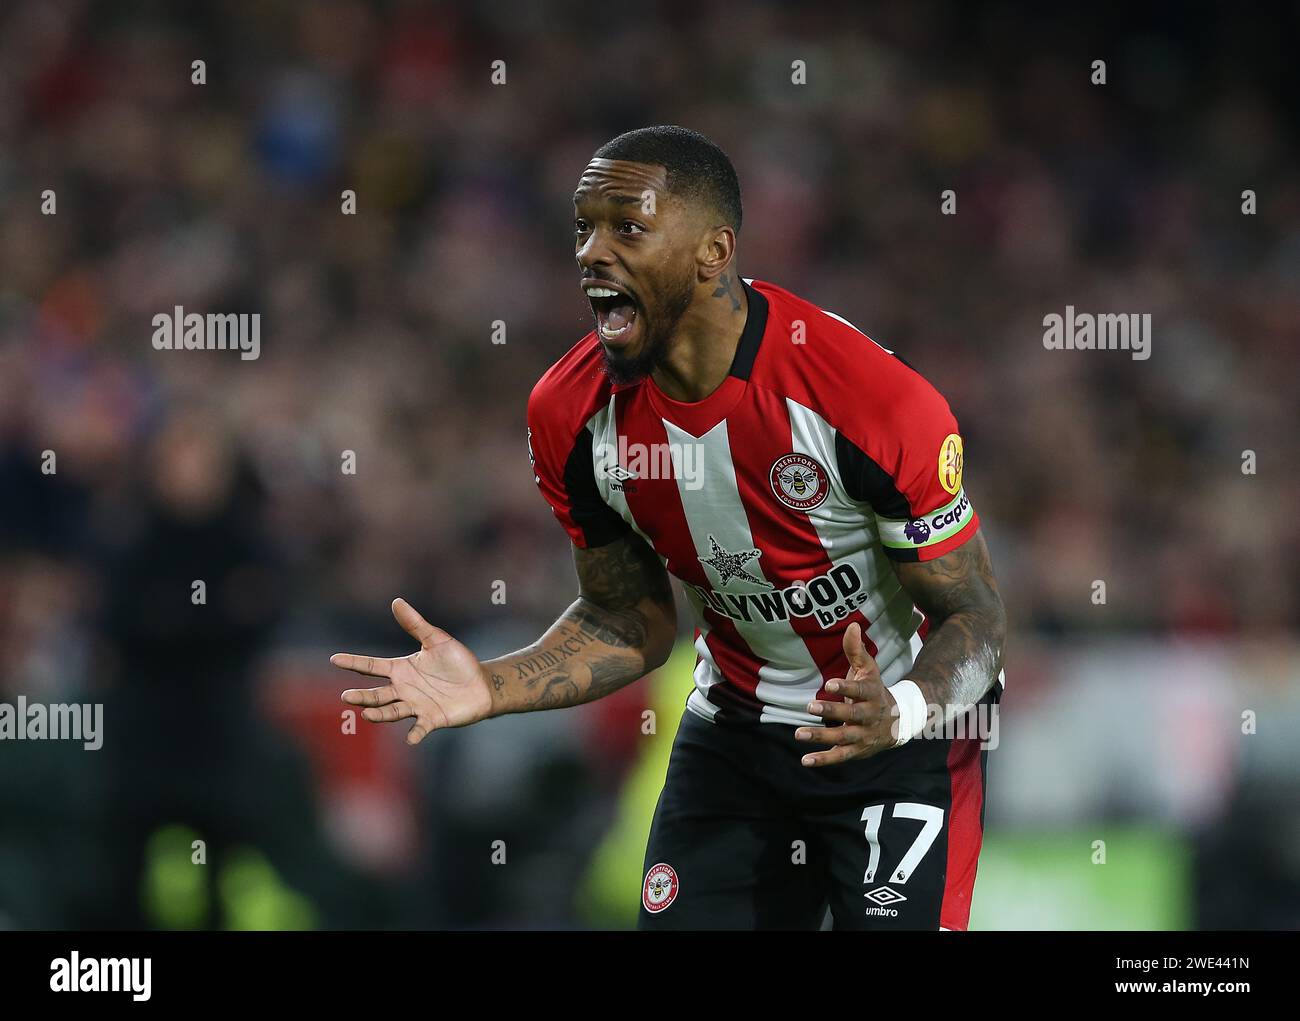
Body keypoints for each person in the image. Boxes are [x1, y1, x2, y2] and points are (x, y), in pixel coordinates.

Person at [332, 125, 1007, 930]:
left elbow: (980, 620)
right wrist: (493, 684)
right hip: (736, 743)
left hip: (897, 742)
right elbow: (630, 619)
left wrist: (898, 707)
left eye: (627, 227)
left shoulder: (867, 401)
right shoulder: (571, 415)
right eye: (582, 226)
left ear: (713, 251)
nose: (591, 251)